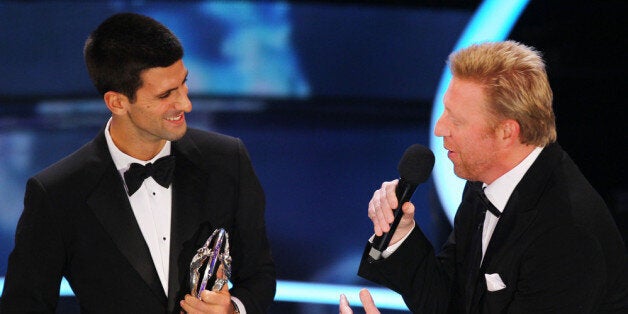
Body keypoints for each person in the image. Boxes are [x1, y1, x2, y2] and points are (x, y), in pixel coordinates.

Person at [0, 13, 276, 313]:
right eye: (165, 95)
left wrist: (233, 308)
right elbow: (23, 305)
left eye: (183, 84)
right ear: (117, 102)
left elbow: (260, 275)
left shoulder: (227, 160)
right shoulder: (57, 193)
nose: (185, 103)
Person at [343, 41, 628, 313]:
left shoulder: (566, 233)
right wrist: (400, 233)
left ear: (506, 132)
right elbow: (450, 300)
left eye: (456, 119)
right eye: (445, 112)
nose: (440, 128)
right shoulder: (485, 180)